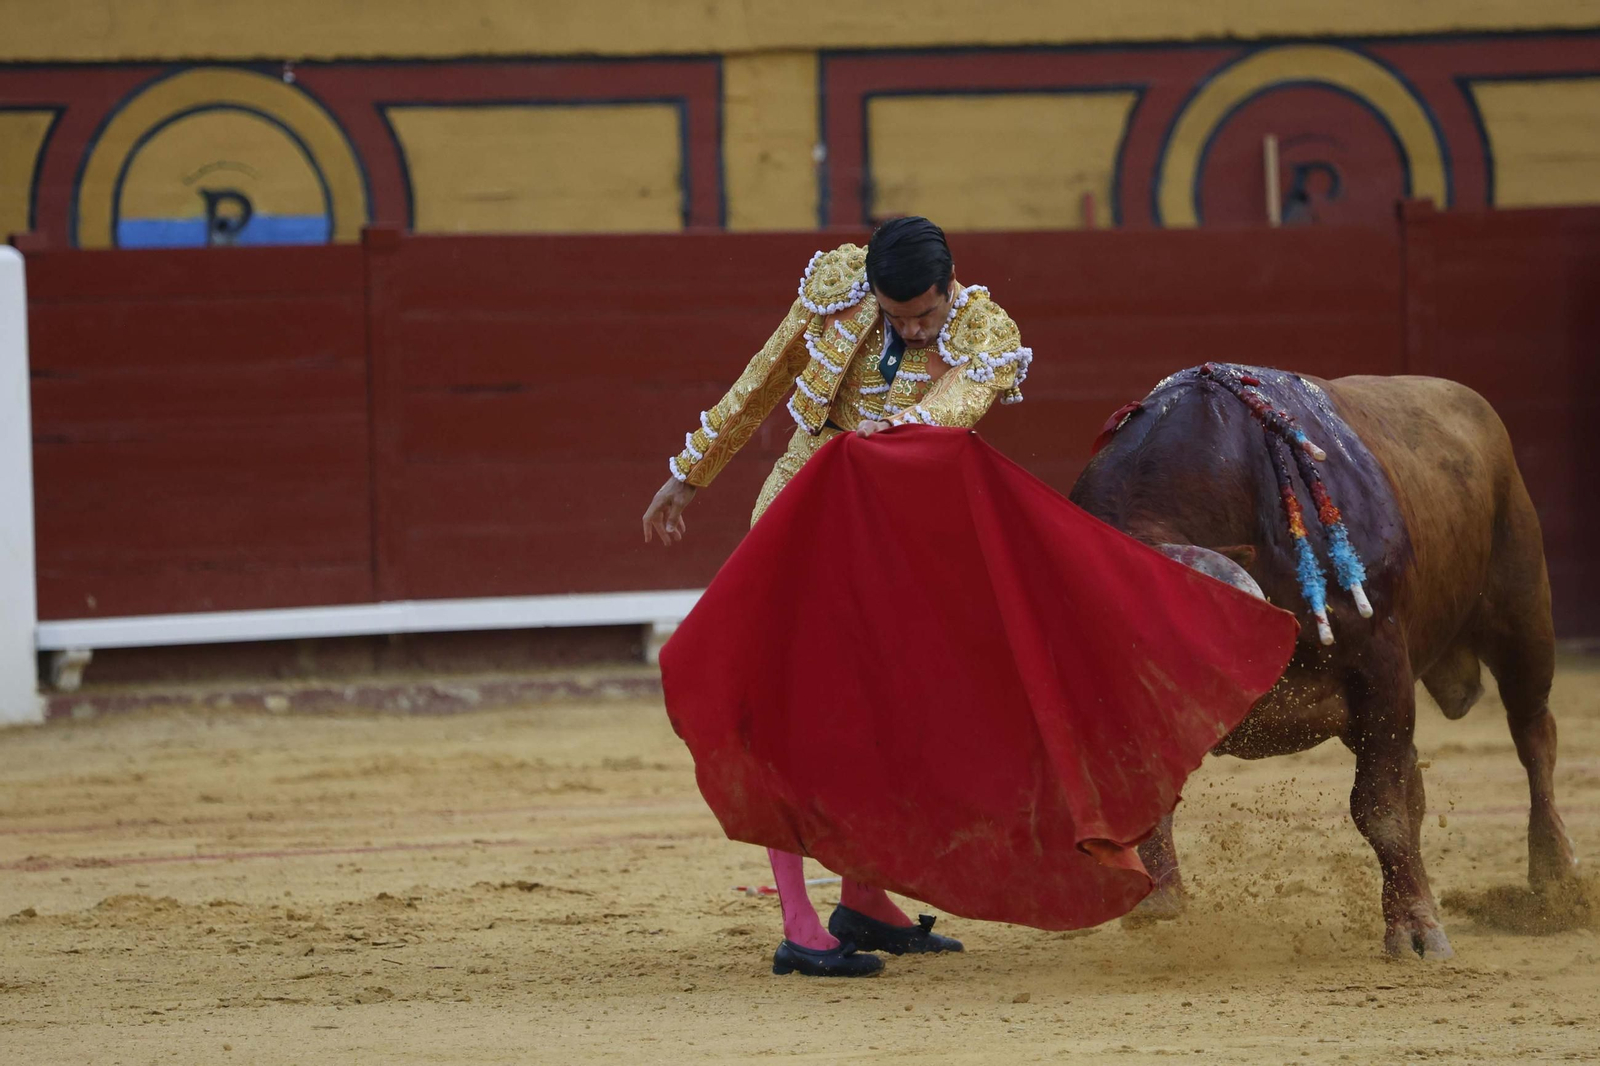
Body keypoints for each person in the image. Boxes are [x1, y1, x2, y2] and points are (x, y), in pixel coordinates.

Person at [640, 216, 1034, 976]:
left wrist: (890, 432)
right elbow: (763, 380)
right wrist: (690, 474)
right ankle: (798, 920)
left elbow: (944, 418)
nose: (914, 330)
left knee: (891, 718)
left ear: (950, 285)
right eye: (896, 317)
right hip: (802, 508)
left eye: (924, 314)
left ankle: (865, 900)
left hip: (898, 531)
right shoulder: (836, 290)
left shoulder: (987, 332)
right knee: (793, 715)